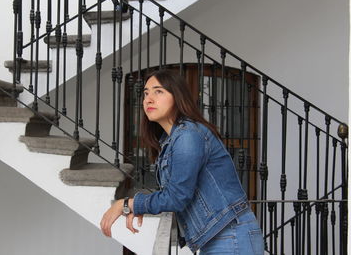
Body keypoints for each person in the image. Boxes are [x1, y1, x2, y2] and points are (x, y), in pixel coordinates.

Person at [100, 69, 264, 254]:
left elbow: (176, 197)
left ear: (177, 97)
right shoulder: (172, 140)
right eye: (145, 93)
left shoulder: (188, 135)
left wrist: (127, 204)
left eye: (158, 91)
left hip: (230, 237)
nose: (148, 99)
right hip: (222, 236)